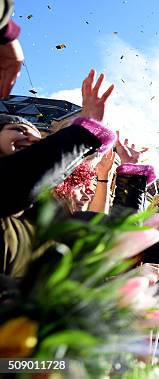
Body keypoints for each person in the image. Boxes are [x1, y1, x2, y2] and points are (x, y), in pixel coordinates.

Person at [0, 70, 116, 277]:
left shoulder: (35, 217)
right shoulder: (17, 187)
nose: (34, 140)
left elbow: (101, 231)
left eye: (39, 139)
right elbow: (17, 181)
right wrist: (85, 132)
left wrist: (132, 181)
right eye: (20, 130)